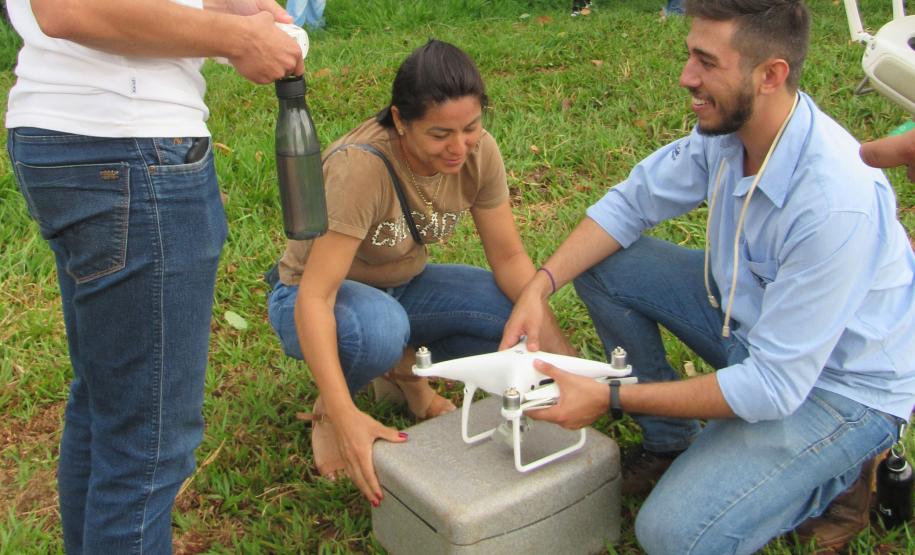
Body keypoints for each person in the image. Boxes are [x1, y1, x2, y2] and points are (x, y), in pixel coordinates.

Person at [499, 0, 915, 553]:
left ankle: (836, 477)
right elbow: (632, 203)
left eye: (706, 61)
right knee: (605, 264)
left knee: (674, 534)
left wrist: (614, 396)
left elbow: (773, 387)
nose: (685, 77)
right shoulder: (730, 134)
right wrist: (539, 285)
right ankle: (672, 443)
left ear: (770, 75)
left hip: (838, 387)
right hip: (751, 329)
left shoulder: (833, 202)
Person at [5, 1, 303, 552]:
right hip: (125, 142)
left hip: (83, 138)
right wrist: (236, 36)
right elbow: (72, 9)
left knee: (107, 407)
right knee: (146, 444)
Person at [266, 39, 576, 507]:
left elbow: (511, 259)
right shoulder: (360, 168)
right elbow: (316, 297)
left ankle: (399, 370)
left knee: (513, 319)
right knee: (376, 330)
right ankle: (337, 405)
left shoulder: (478, 152)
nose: (458, 147)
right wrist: (344, 416)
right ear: (399, 121)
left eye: (470, 128)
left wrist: (565, 365)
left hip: (407, 285)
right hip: (312, 296)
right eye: (439, 135)